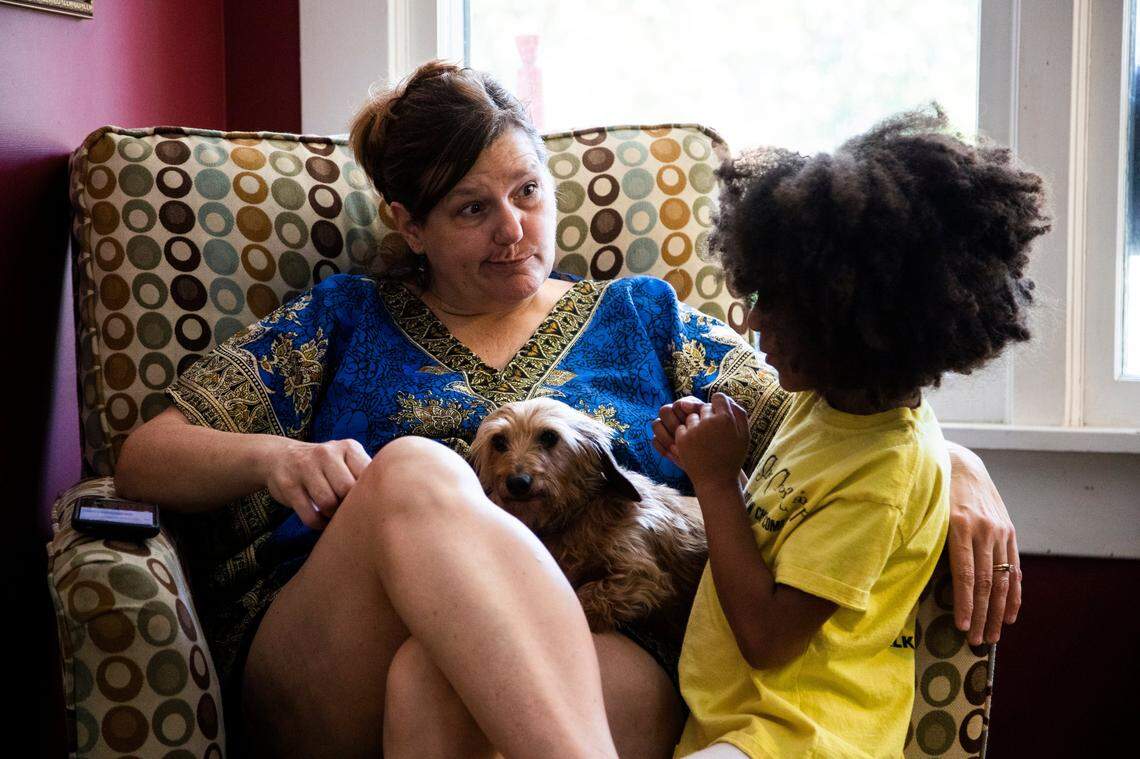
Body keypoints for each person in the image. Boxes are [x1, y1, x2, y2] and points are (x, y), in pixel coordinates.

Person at [113, 63, 1024, 759]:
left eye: (528, 192)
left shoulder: (644, 316)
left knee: (431, 684)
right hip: (330, 657)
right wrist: (272, 457)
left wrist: (957, 462)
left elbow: (839, 396)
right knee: (419, 469)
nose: (512, 228)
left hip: (597, 644)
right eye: (472, 209)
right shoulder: (341, 319)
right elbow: (145, 454)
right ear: (406, 221)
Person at [653, 108, 1048, 758]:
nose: (751, 320)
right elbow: (787, 526)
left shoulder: (881, 477)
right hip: (739, 716)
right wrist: (712, 444)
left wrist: (717, 479)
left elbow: (769, 636)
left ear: (854, 327)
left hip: (803, 734)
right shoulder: (826, 401)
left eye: (772, 302)